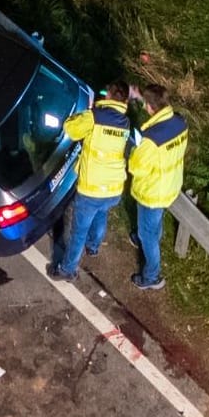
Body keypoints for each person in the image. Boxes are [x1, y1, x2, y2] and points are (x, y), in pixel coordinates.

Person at [47, 82, 132, 281]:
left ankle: (67, 270)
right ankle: (93, 247)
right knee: (101, 214)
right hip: (114, 187)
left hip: (92, 188)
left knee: (78, 233)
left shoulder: (94, 117)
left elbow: (71, 128)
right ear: (124, 101)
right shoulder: (125, 122)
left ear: (108, 96)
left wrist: (88, 112)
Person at [128, 84, 189, 290]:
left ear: (150, 107)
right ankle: (144, 237)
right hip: (169, 185)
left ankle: (151, 277)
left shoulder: (151, 139)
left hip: (152, 192)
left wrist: (136, 151)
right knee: (153, 223)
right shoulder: (180, 122)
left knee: (149, 235)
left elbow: (136, 168)